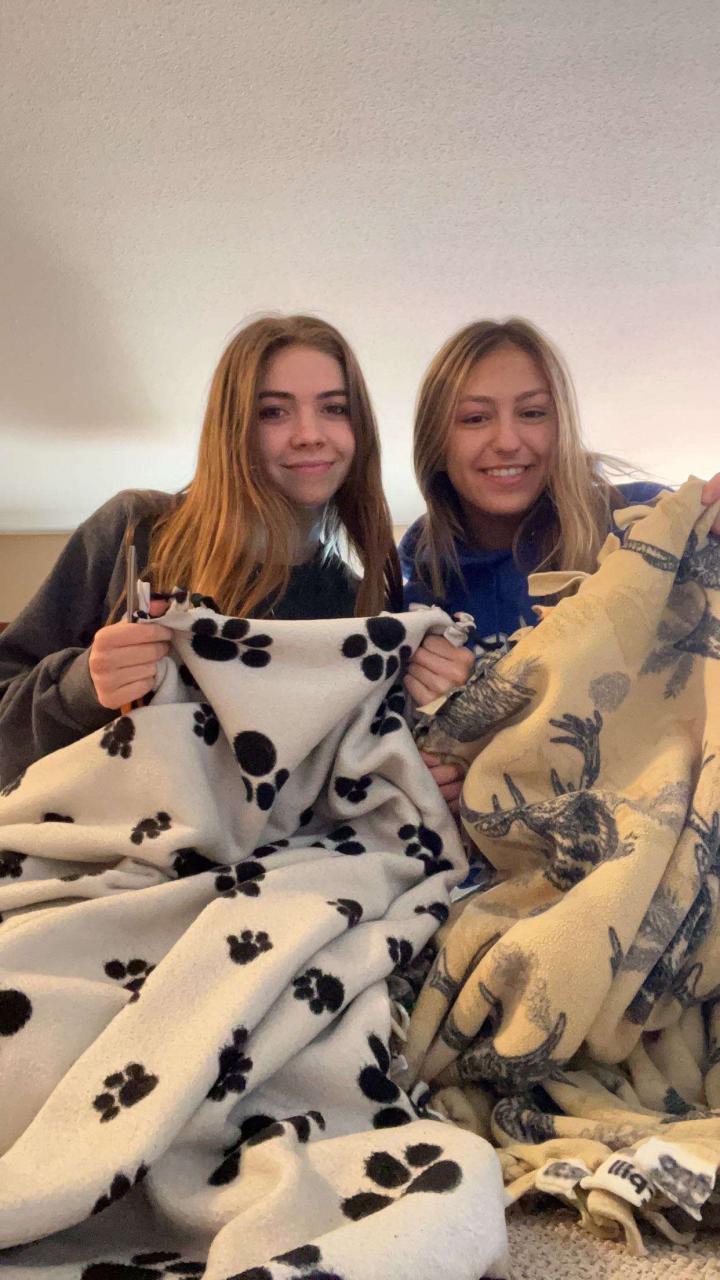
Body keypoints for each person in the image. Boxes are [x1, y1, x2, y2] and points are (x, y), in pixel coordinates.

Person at [0, 315, 412, 787]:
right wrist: (82, 686)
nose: (309, 434)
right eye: (272, 412)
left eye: (335, 408)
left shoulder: (362, 609)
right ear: (232, 428)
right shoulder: (136, 529)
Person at [401, 317, 720, 804]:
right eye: (475, 418)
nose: (508, 441)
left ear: (561, 426)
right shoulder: (415, 602)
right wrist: (435, 774)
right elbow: (422, 765)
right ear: (435, 441)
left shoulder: (640, 522)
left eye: (532, 413)